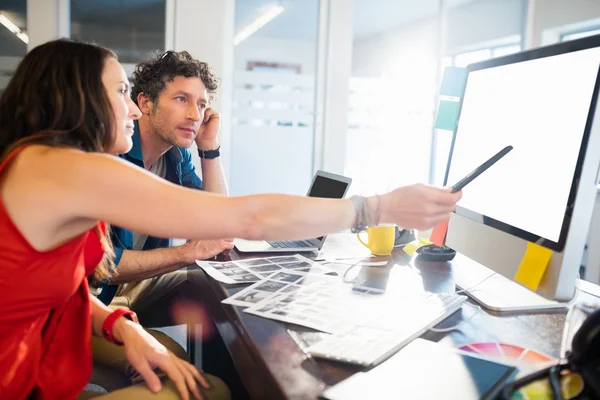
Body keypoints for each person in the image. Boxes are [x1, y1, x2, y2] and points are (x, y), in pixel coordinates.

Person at [0, 38, 461, 400]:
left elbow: (67, 285)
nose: (130, 108)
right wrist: (374, 209)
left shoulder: (46, 163)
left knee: (184, 356)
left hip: (40, 349)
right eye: (121, 91)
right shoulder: (67, 168)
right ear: (76, 96)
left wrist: (119, 325)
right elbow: (249, 216)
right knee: (212, 390)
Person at [95, 51, 232, 316]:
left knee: (221, 296)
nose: (195, 115)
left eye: (202, 105)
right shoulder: (112, 153)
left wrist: (208, 148)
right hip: (96, 296)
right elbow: (102, 265)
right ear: (145, 103)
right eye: (182, 99)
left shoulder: (176, 156)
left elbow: (218, 221)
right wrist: (187, 252)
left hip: (134, 283)